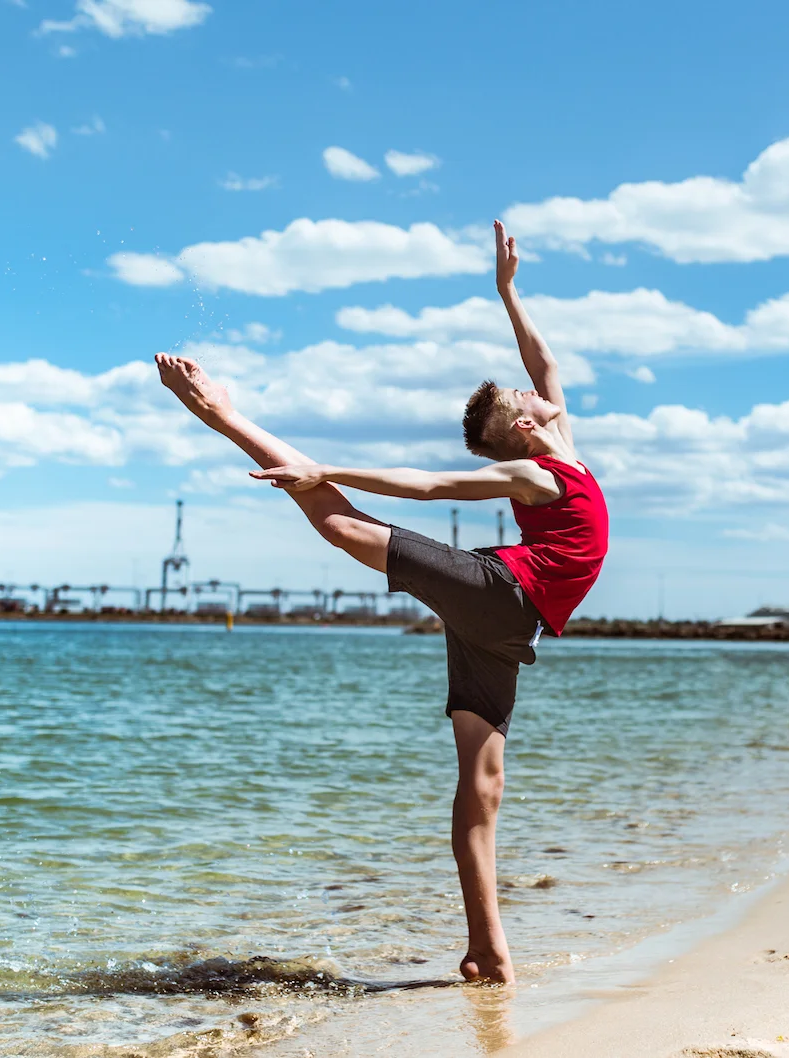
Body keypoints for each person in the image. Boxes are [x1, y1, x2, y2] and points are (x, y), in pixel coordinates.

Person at [152, 220, 609, 985]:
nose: (535, 387)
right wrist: (322, 465)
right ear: (529, 427)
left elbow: (544, 359)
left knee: (482, 785)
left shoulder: (562, 449)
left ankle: (487, 948)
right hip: (502, 593)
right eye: (526, 398)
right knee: (341, 524)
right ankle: (222, 414)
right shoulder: (541, 476)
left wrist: (508, 291)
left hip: (506, 629)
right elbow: (428, 486)